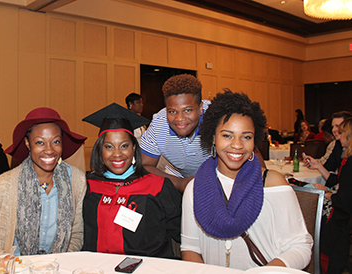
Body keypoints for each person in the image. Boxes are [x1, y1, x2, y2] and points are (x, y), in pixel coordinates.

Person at [181, 90, 312, 270]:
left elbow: (300, 246)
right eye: (227, 135)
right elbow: (191, 249)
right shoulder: (195, 189)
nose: (237, 144)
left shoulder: (271, 183)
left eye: (246, 136)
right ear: (213, 137)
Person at [0, 107, 87, 259]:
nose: (49, 150)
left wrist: (59, 261)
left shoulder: (76, 180)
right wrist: (9, 261)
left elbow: (76, 235)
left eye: (55, 142)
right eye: (40, 142)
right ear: (28, 144)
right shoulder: (4, 185)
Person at [82, 103, 181, 258]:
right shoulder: (87, 187)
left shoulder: (157, 187)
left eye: (124, 146)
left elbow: (185, 235)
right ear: (100, 150)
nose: (117, 154)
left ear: (134, 148)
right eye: (109, 147)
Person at [140, 74, 211, 192]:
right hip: (182, 180)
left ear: (200, 107)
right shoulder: (159, 124)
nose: (180, 118)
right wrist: (180, 183)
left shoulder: (219, 119)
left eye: (187, 110)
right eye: (172, 111)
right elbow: (145, 166)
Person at [304, 118, 352, 274]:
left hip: (343, 217)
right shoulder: (347, 160)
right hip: (343, 209)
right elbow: (337, 181)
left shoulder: (349, 164)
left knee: (316, 209)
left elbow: (343, 202)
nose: (337, 136)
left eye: (341, 132)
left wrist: (327, 194)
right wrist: (318, 166)